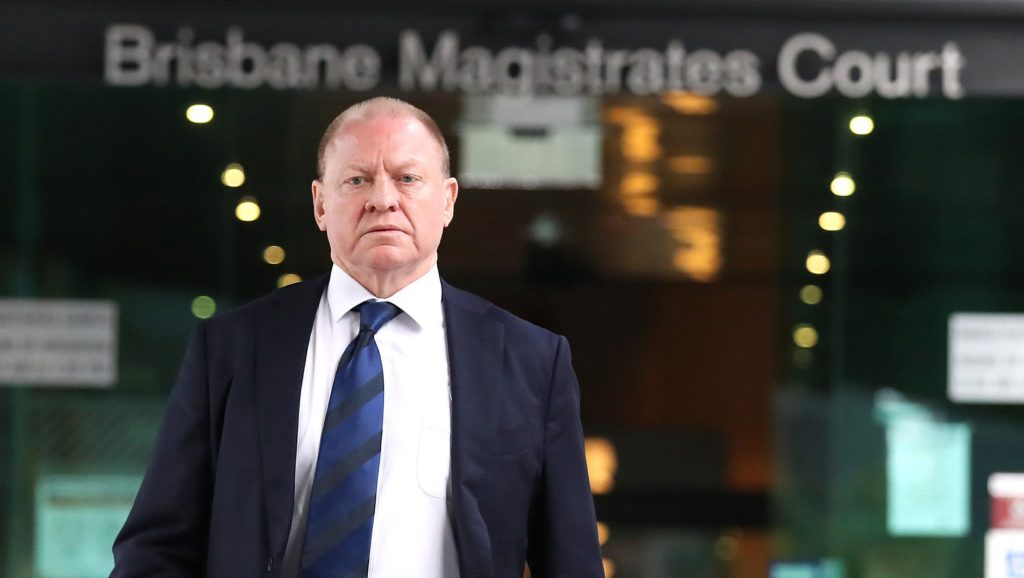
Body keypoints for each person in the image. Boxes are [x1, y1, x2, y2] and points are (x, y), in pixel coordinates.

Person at [111, 96, 604, 578]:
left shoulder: (529, 360)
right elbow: (159, 546)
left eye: (408, 178)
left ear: (448, 200)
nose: (383, 199)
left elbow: (571, 560)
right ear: (321, 204)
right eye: (357, 180)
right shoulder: (232, 348)